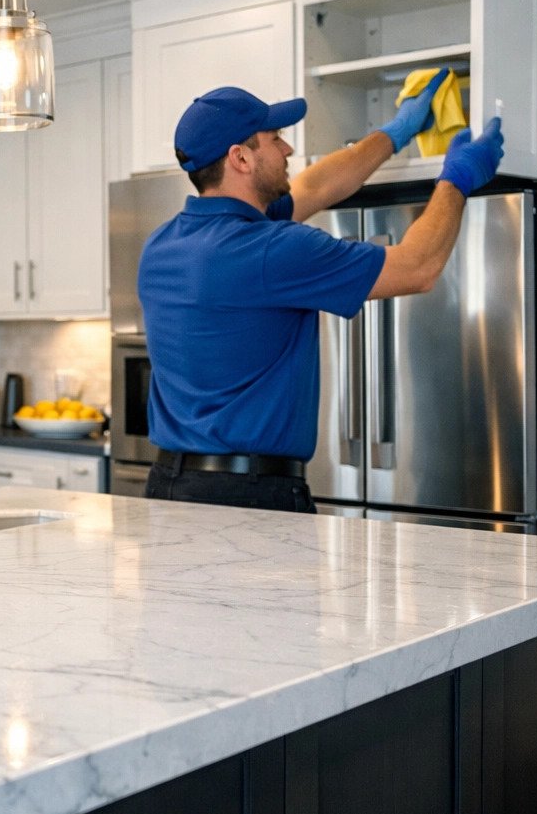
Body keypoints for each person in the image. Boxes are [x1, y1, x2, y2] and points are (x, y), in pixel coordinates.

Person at [137, 69, 505, 513]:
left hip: (169, 491)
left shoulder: (162, 244)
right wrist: (456, 181)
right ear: (241, 158)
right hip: (250, 498)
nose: (288, 148)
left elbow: (316, 185)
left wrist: (395, 133)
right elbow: (418, 267)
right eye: (274, 138)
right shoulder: (272, 249)